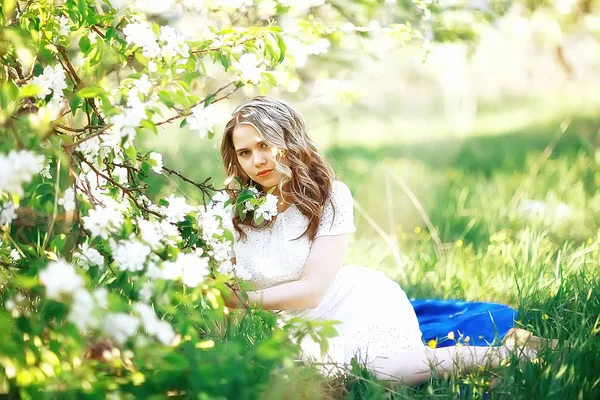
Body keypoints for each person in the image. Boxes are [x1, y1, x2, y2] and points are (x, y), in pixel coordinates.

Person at [215, 96, 546, 386]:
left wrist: (239, 299)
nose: (257, 160)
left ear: (289, 140)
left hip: (348, 304)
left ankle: (505, 353)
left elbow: (313, 291)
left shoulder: (327, 197)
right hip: (282, 328)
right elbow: (216, 292)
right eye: (244, 152)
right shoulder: (226, 210)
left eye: (265, 145)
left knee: (379, 374)